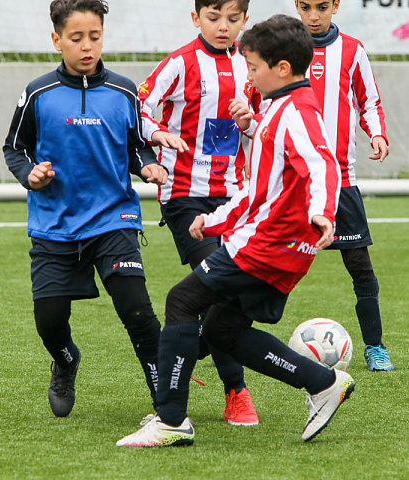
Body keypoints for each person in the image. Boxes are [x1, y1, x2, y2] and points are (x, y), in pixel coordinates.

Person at [116, 14, 355, 448]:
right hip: (282, 246)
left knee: (183, 301)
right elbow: (260, 192)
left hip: (267, 245)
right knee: (223, 330)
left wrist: (323, 212)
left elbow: (324, 165)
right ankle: (322, 382)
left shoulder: (295, 111)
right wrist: (216, 219)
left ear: (281, 69)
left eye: (253, 67)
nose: (247, 75)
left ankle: (171, 420)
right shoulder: (279, 109)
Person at [3, 0, 168, 418]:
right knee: (50, 322)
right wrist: (30, 175)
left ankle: (166, 404)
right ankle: (65, 360)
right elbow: (15, 148)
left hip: (114, 220)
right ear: (56, 40)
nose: (87, 46)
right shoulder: (38, 93)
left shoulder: (124, 91)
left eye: (94, 37)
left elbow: (136, 144)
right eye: (76, 38)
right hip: (54, 225)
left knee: (138, 312)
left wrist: (146, 164)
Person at [137, 0, 263, 426]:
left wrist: (249, 122)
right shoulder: (178, 63)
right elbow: (139, 106)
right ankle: (237, 392)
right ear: (196, 18)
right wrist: (158, 134)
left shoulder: (251, 65)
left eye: (233, 19)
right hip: (185, 197)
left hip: (234, 197)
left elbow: (265, 126)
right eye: (213, 18)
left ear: (245, 20)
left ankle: (178, 350)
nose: (223, 27)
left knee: (230, 296)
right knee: (221, 288)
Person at [294, 0, 394, 371]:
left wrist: (378, 134)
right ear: (296, 6)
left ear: (336, 5)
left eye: (322, 6)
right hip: (293, 181)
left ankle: (375, 347)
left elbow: (370, 102)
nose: (314, 16)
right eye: (306, 7)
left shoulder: (352, 50)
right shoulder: (284, 50)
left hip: (341, 181)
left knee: (360, 268)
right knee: (264, 265)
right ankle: (224, 337)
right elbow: (257, 98)